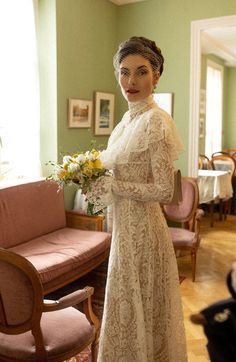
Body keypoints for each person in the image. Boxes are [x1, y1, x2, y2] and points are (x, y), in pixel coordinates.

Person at [86, 36, 187, 361]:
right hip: (125, 232)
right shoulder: (126, 121)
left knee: (143, 307)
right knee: (126, 307)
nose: (131, 82)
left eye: (141, 72)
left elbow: (163, 190)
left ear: (156, 76)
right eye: (124, 72)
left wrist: (114, 187)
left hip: (145, 234)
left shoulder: (155, 121)